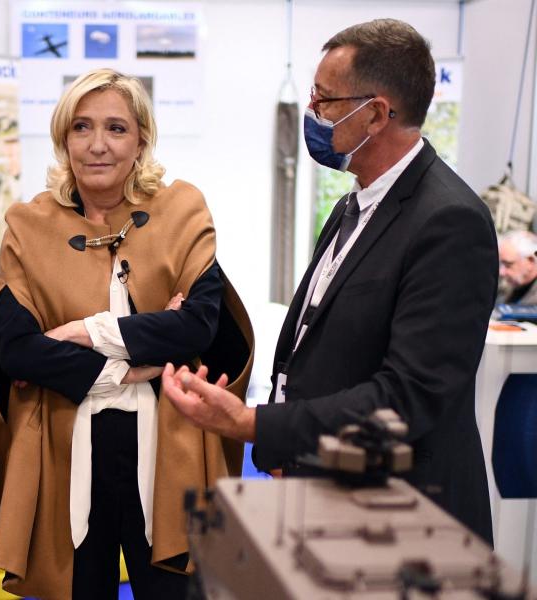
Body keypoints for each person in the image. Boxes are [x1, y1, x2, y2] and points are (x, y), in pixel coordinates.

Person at [163, 18, 497, 545]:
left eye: (324, 99)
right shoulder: (351, 205)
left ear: (378, 114)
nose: (312, 113)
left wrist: (253, 426)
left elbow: (405, 398)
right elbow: (315, 344)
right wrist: (283, 456)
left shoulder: (449, 221)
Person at [0, 68, 253, 599]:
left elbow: (200, 324)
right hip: (66, 448)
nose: (98, 145)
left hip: (170, 446)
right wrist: (130, 364)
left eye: (116, 128)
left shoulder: (183, 212)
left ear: (141, 137)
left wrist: (85, 331)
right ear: (62, 138)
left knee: (172, 591)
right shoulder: (29, 226)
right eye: (81, 127)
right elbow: (17, 349)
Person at [497, 231, 537, 304]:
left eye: (508, 265)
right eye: (501, 264)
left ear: (530, 261)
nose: (501, 272)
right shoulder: (514, 287)